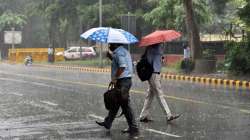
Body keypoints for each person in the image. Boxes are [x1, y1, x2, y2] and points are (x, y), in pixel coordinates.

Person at [96, 43, 139, 137]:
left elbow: (122, 66)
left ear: (116, 44)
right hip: (125, 81)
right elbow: (119, 63)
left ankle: (133, 127)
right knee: (116, 103)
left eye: (111, 44)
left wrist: (115, 77)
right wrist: (110, 57)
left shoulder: (119, 53)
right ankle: (108, 122)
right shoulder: (123, 51)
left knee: (125, 105)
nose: (109, 45)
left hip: (123, 82)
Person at [139, 43, 180, 123]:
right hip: (153, 74)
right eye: (161, 42)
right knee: (159, 95)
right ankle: (168, 115)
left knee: (150, 96)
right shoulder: (152, 49)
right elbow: (149, 63)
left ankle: (143, 115)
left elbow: (159, 62)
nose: (162, 43)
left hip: (156, 74)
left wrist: (160, 58)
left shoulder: (157, 49)